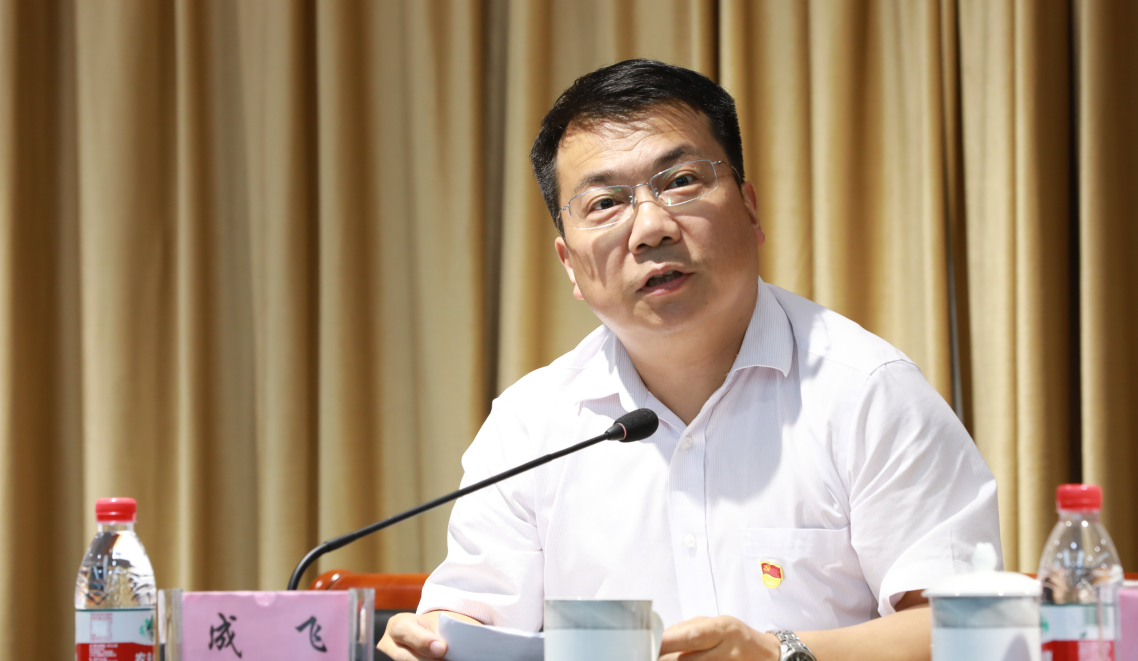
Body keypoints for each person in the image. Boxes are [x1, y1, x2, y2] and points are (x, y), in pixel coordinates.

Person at [379, 59, 1000, 661]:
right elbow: (474, 617)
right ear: (570, 264)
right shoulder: (530, 424)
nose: (651, 228)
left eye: (680, 182)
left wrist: (781, 654)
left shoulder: (866, 391)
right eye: (605, 203)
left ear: (750, 209)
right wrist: (434, 639)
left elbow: (969, 629)